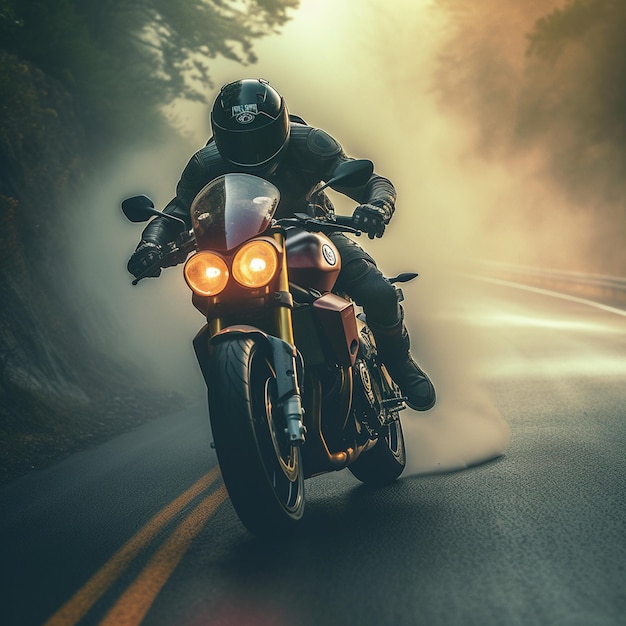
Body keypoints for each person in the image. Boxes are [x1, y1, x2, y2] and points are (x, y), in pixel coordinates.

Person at [127, 78, 435, 411]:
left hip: (310, 231)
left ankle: (400, 363)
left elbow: (370, 181)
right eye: (239, 141)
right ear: (220, 136)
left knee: (378, 291)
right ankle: (242, 399)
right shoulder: (206, 164)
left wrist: (377, 206)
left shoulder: (311, 143)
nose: (251, 149)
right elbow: (175, 212)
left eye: (260, 137)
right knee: (209, 292)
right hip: (237, 250)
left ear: (281, 125)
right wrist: (151, 244)